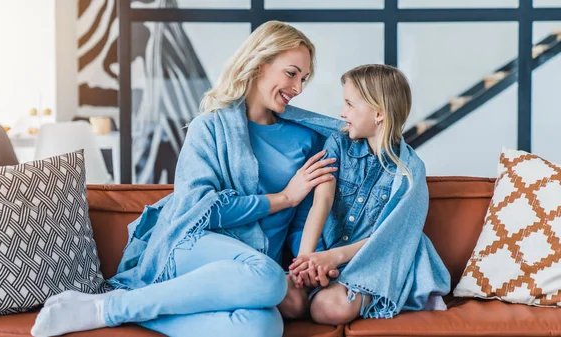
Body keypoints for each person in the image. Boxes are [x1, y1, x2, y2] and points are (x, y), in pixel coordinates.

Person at [30, 21, 344, 337]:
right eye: (291, 74)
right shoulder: (208, 128)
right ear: (259, 63)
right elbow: (199, 208)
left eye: (304, 79)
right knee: (267, 278)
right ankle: (105, 309)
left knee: (263, 327)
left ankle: (129, 308)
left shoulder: (307, 140)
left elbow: (303, 220)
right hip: (193, 244)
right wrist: (283, 198)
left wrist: (309, 263)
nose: (299, 88)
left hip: (247, 271)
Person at [283, 64, 451, 324]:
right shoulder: (337, 145)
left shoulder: (409, 170)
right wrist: (305, 262)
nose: (342, 113)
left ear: (379, 113)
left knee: (328, 309)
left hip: (373, 262)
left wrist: (334, 257)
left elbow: (389, 237)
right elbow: (322, 203)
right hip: (324, 253)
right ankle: (315, 286)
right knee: (283, 297)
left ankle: (360, 295)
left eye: (350, 104)